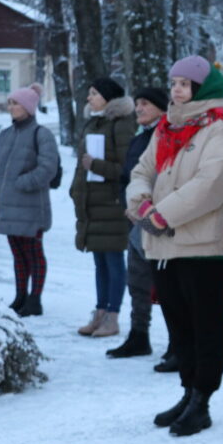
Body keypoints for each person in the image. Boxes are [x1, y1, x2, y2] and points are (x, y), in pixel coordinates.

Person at [126, 55, 223, 437]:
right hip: (164, 245)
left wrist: (161, 215)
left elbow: (211, 185)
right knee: (179, 326)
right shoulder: (166, 128)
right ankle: (188, 391)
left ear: (202, 88)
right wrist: (141, 203)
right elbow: (142, 170)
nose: (176, 89)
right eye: (174, 83)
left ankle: (202, 400)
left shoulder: (222, 132)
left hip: (204, 248)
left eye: (184, 84)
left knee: (205, 326)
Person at [70, 77, 136, 338]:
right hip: (93, 203)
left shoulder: (122, 124)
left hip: (112, 204)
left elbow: (127, 168)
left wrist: (96, 166)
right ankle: (99, 312)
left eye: (94, 93)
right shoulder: (94, 122)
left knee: (113, 260)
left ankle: (113, 316)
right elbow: (82, 164)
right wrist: (75, 190)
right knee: (99, 261)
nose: (89, 98)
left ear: (109, 97)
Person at [107, 87, 169, 359]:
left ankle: (177, 343)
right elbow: (127, 178)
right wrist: (129, 206)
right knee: (137, 281)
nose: (139, 108)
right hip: (136, 221)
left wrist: (149, 211)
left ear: (161, 108)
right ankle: (139, 335)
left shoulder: (167, 137)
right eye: (138, 103)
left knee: (167, 286)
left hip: (161, 220)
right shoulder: (138, 139)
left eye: (146, 104)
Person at [0, 83, 59, 316]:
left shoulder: (41, 134)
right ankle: (20, 296)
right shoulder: (6, 134)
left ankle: (35, 299)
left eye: (15, 103)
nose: (11, 107)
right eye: (9, 103)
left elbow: (48, 167)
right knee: (18, 254)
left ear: (28, 107)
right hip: (8, 206)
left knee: (34, 253)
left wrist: (22, 183)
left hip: (31, 206)